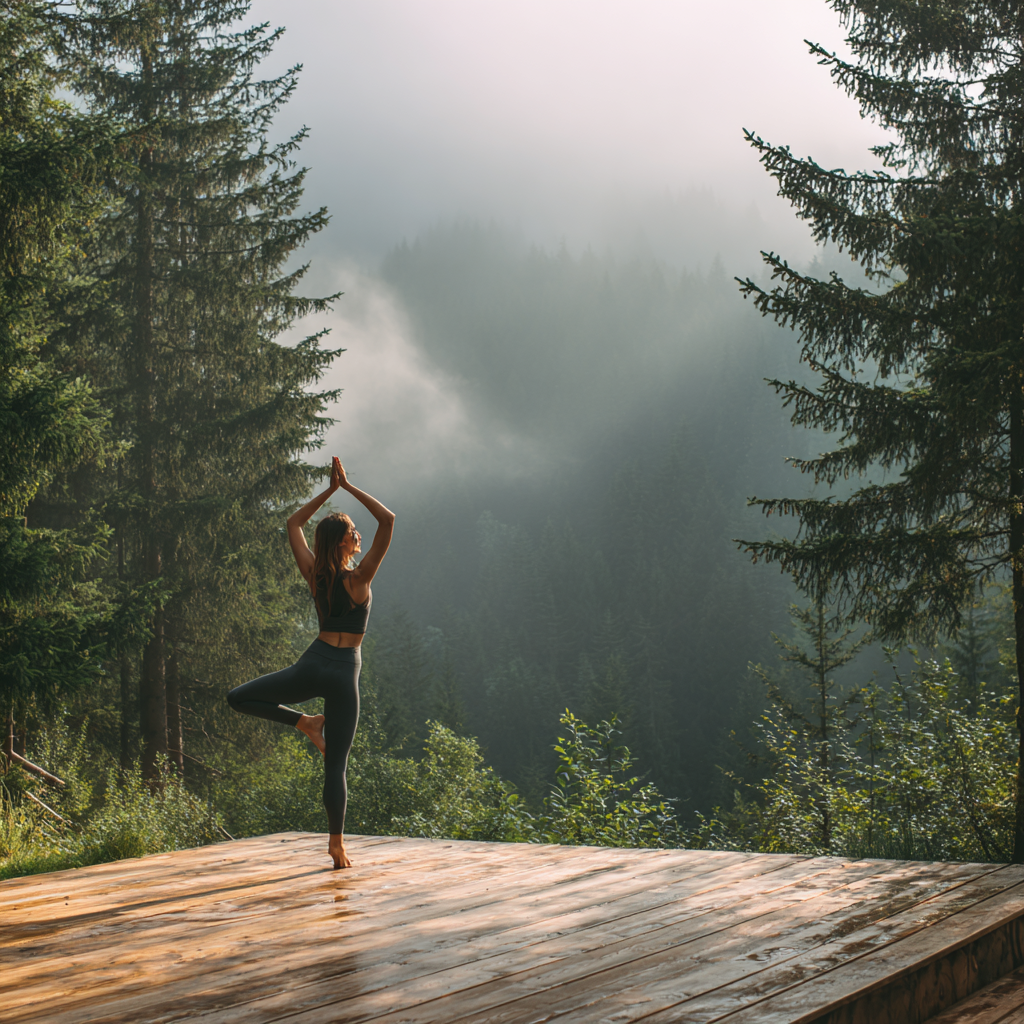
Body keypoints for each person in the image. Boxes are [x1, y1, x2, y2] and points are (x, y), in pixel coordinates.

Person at [227, 456, 394, 869]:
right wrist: (348, 487)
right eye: (353, 533)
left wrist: (330, 491)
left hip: (313, 661)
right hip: (343, 672)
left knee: (238, 698)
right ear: (342, 543)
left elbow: (292, 525)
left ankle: (303, 722)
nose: (359, 536)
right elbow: (387, 521)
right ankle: (336, 845)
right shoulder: (359, 580)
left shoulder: (315, 574)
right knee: (335, 764)